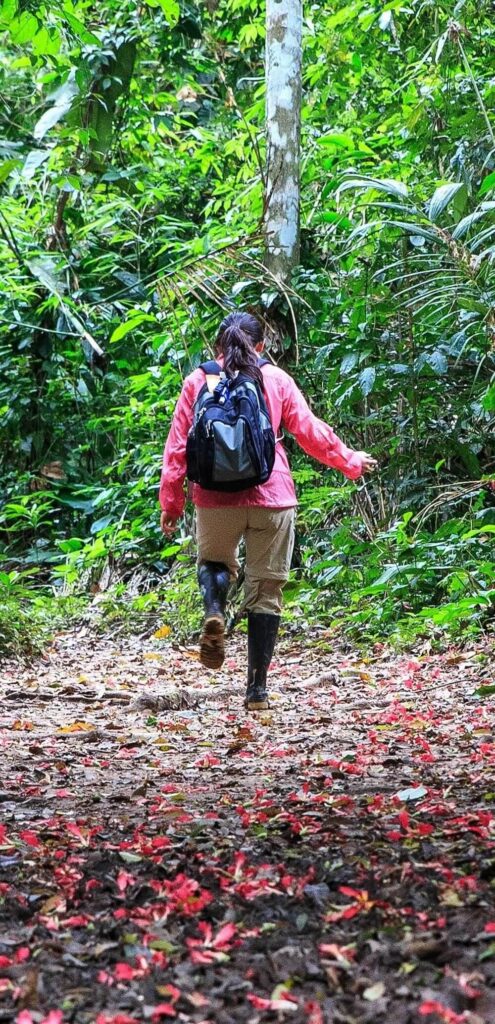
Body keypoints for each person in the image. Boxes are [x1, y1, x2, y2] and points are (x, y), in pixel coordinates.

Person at [159, 311, 377, 711]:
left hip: (215, 498)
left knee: (214, 563)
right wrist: (350, 461)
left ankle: (214, 611)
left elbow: (177, 449)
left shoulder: (197, 381)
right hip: (272, 496)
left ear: (217, 345)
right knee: (267, 590)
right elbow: (310, 431)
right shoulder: (275, 379)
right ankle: (256, 691)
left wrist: (171, 503)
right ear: (260, 345)